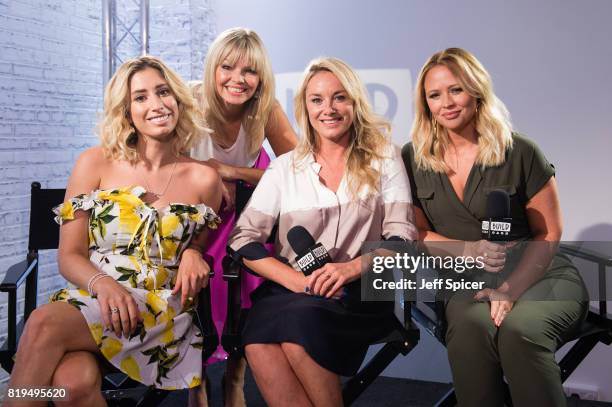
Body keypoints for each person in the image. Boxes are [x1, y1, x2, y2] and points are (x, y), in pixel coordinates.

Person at [6, 55, 222, 406]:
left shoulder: (204, 179)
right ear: (126, 110)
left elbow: (199, 244)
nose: (156, 104)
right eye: (140, 97)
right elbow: (69, 256)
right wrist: (104, 286)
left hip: (156, 311)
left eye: (163, 92)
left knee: (43, 323)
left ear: (178, 99)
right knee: (71, 385)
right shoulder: (94, 162)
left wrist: (196, 252)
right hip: (94, 297)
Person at [402, 47, 588, 407]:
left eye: (456, 89)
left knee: (521, 332)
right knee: (471, 330)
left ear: (476, 90)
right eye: (434, 95)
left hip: (539, 274)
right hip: (465, 281)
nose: (447, 103)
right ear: (425, 103)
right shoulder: (412, 158)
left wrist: (511, 288)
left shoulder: (520, 150)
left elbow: (548, 234)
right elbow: (418, 233)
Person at [228, 57, 417, 407]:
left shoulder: (384, 158)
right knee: (258, 341)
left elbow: (402, 237)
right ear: (305, 107)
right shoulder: (285, 168)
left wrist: (349, 269)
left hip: (360, 288)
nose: (328, 109)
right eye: (317, 100)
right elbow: (243, 239)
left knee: (299, 329)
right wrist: (296, 281)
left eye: (339, 97)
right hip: (293, 288)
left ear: (355, 103)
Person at [189, 27, 297, 406]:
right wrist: (206, 176)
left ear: (261, 77)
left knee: (249, 262)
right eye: (228, 67)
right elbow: (161, 166)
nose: (238, 79)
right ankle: (194, 380)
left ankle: (235, 378)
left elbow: (299, 168)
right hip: (195, 215)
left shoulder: (264, 107)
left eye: (250, 71)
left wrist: (233, 172)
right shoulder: (188, 100)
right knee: (198, 270)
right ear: (212, 68)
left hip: (244, 213)